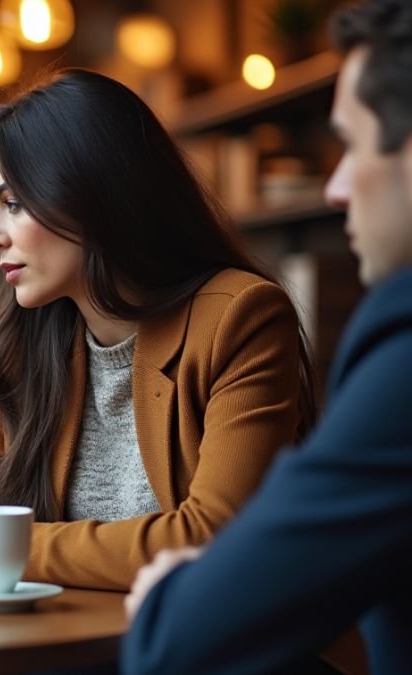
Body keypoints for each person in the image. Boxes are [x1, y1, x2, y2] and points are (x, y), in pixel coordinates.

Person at [0, 69, 317, 591]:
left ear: (91, 192)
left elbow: (214, 538)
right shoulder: (25, 346)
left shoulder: (241, 318)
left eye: (12, 203)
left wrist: (9, 549)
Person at [122, 1, 412, 671]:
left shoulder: (395, 341)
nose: (335, 186)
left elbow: (184, 640)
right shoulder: (24, 345)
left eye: (352, 145)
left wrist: (177, 591)